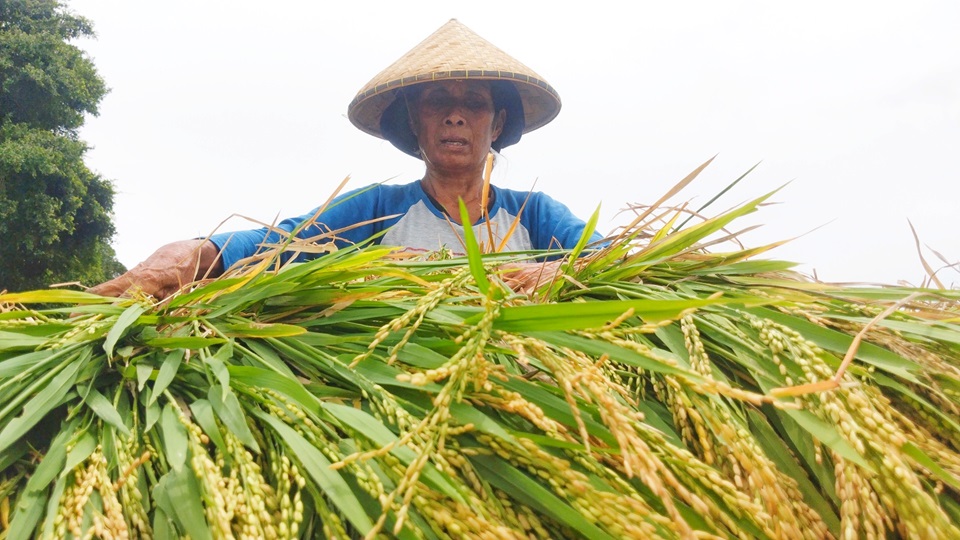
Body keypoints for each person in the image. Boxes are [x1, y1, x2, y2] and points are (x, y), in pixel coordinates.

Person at [89, 19, 601, 299]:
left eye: (474, 103)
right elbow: (271, 245)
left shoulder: (535, 215)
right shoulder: (375, 210)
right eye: (437, 101)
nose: (454, 116)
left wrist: (539, 274)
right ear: (414, 121)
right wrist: (180, 259)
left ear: (498, 123)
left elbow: (615, 262)